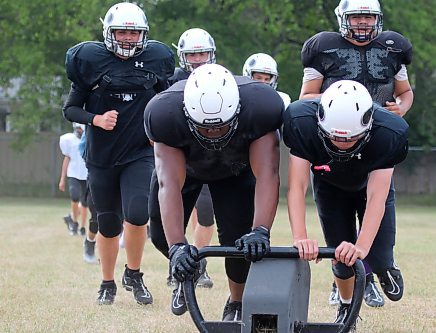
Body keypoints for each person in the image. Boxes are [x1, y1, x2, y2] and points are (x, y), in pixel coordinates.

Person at [145, 64, 283, 320]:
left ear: (238, 110)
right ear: (187, 114)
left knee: (242, 244)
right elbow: (169, 183)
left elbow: (268, 173)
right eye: (205, 128)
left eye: (221, 126)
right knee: (162, 237)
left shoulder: (261, 106)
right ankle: (190, 270)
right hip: (186, 167)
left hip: (235, 169)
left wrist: (261, 230)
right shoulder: (163, 112)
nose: (213, 133)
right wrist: (177, 246)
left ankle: (237, 302)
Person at [299, 0, 413, 308]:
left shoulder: (393, 47)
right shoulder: (323, 47)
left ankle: (383, 266)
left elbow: (405, 93)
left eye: (368, 16)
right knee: (340, 247)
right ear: (342, 18)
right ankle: (350, 295)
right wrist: (345, 103)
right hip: (333, 148)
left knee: (379, 250)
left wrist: (401, 107)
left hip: (374, 149)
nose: (363, 22)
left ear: (378, 19)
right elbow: (307, 97)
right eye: (356, 16)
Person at [62, 2, 175, 305]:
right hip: (101, 156)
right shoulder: (90, 61)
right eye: (122, 31)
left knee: (138, 214)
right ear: (109, 32)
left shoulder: (156, 59)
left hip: (139, 152)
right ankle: (107, 282)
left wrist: (159, 131)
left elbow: (168, 99)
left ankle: (134, 274)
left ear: (143, 35)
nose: (127, 38)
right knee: (109, 223)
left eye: (133, 32)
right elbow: (70, 108)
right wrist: (95, 119)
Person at [283, 80, 409, 324]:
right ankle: (346, 306)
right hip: (330, 185)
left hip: (369, 187)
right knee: (340, 257)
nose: (341, 144)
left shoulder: (389, 132)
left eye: (350, 139)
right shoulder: (301, 121)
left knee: (376, 255)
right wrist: (300, 237)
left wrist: (361, 248)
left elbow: (376, 197)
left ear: (369, 125)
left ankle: (386, 265)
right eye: (333, 138)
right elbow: (297, 187)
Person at [152, 27, 217, 290]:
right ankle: (179, 262)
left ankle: (199, 265)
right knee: (161, 224)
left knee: (206, 213)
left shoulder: (219, 78)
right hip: (176, 157)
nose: (199, 59)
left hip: (212, 158)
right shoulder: (171, 80)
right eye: (193, 54)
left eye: (202, 53)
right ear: (182, 56)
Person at [59, 123, 88, 236]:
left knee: (85, 203)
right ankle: (74, 222)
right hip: (73, 174)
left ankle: (81, 226)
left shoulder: (89, 139)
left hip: (86, 174)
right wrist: (62, 178)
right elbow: (67, 159)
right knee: (75, 197)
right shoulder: (69, 140)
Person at [78, 130, 99, 264]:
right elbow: (82, 148)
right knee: (97, 218)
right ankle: (90, 241)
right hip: (99, 173)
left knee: (114, 219)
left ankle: (105, 253)